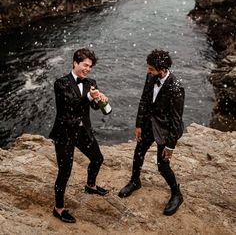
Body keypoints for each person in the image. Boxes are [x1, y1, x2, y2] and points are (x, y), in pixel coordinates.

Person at [118, 49, 185, 216]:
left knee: (163, 166)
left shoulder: (176, 88)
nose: (148, 71)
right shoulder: (150, 77)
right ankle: (135, 182)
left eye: (151, 69)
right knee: (138, 153)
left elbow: (177, 120)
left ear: (162, 70)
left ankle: (177, 194)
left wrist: (170, 146)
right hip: (148, 124)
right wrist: (139, 125)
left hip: (165, 129)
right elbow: (143, 100)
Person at [49, 48, 109, 223]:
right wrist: (89, 97)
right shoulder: (60, 83)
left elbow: (96, 108)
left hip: (83, 131)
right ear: (75, 62)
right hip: (64, 133)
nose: (88, 69)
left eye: (90, 66)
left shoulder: (91, 82)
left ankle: (90, 185)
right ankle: (58, 209)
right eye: (85, 65)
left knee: (98, 158)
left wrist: (100, 100)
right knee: (65, 172)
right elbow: (69, 104)